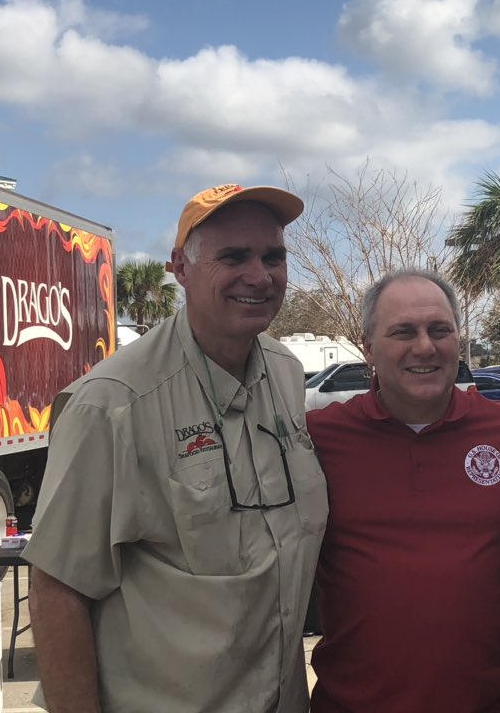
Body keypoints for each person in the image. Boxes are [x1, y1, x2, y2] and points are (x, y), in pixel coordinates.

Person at [24, 184, 328, 713]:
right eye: (233, 256)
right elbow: (57, 589)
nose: (259, 275)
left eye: (273, 256)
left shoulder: (286, 374)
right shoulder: (113, 405)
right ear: (180, 268)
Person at [307, 270, 500, 713]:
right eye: (403, 332)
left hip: (495, 703)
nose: (425, 347)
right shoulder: (317, 439)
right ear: (369, 349)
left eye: (439, 330)